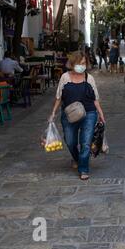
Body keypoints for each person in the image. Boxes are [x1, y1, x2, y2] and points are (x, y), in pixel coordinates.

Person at [48, 52, 105, 180]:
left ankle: (83, 169)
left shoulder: (89, 78)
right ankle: (77, 158)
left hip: (89, 113)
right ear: (72, 64)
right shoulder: (65, 77)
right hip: (69, 114)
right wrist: (53, 113)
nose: (82, 66)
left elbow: (95, 99)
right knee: (70, 141)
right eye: (79, 63)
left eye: (84, 63)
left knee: (85, 143)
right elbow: (59, 97)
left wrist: (101, 114)